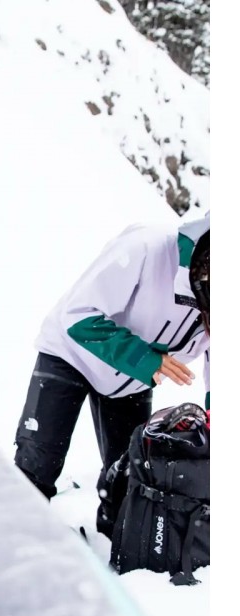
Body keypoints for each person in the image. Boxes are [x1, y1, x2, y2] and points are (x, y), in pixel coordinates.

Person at [14, 211, 210, 537]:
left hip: (129, 381)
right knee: (39, 461)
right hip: (70, 355)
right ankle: (20, 536)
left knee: (130, 474)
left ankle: (115, 538)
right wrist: (146, 360)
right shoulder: (148, 247)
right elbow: (79, 315)